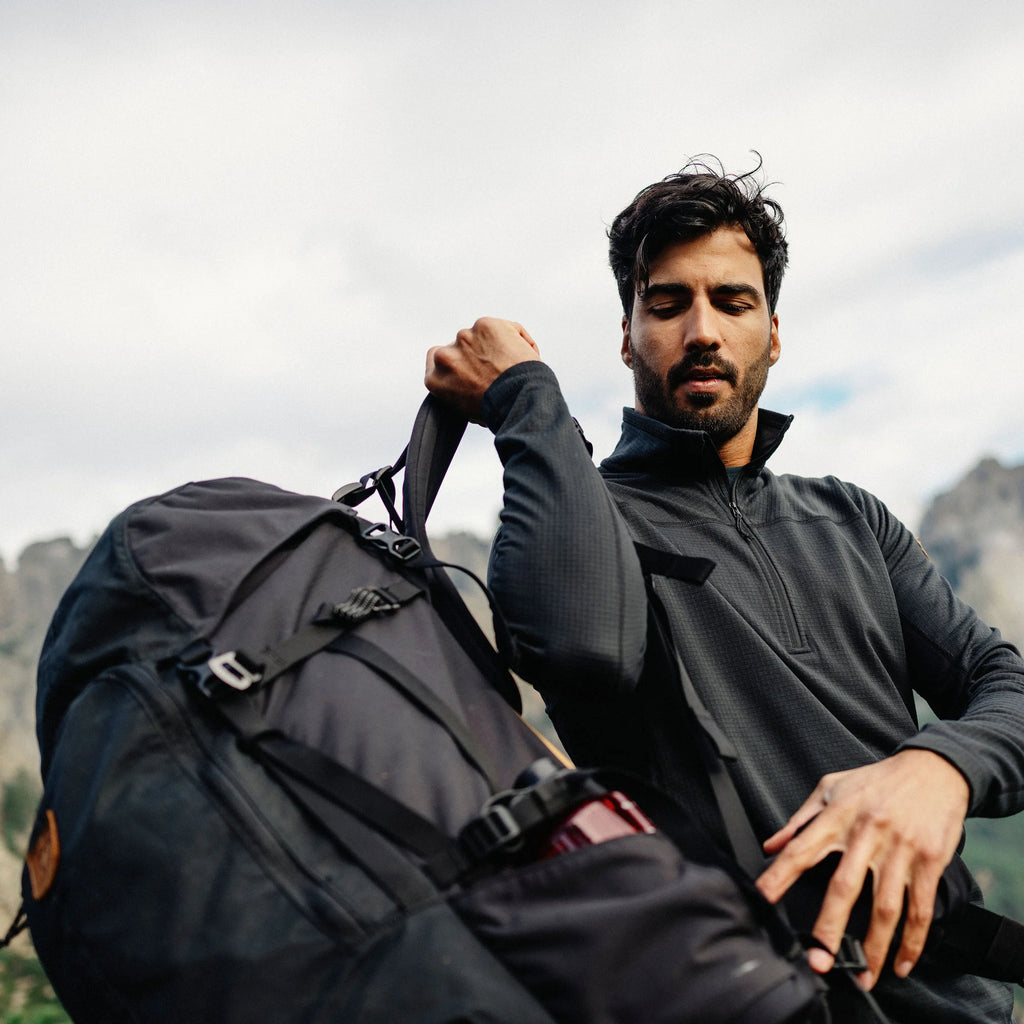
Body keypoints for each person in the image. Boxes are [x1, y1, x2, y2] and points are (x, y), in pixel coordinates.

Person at [423, 160, 1024, 1022]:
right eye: (667, 304)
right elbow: (583, 646)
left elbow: (1007, 684)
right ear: (628, 337)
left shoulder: (851, 517)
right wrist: (525, 401)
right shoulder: (583, 522)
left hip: (958, 1003)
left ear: (773, 334)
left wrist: (939, 767)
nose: (702, 330)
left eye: (732, 302)